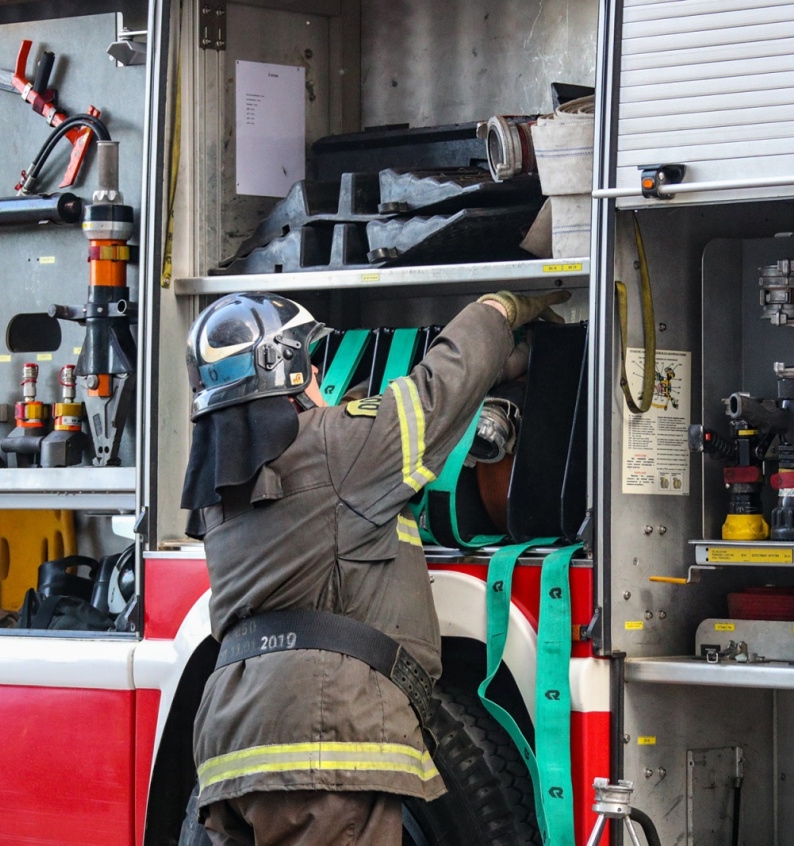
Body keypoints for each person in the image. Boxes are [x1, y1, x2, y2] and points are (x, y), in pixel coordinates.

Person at [181, 288, 570, 845]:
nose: (320, 373)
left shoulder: (219, 487)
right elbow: (439, 392)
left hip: (229, 745)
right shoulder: (339, 447)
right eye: (309, 359)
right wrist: (495, 313)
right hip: (321, 744)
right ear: (287, 367)